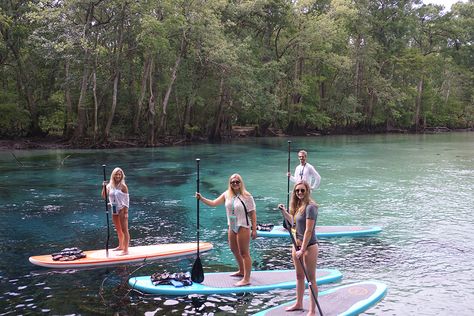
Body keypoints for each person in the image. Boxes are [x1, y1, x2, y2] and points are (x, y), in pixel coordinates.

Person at [196, 173, 257, 286]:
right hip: (232, 225)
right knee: (234, 249)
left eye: (237, 181)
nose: (235, 184)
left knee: (244, 253)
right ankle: (241, 270)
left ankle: (246, 279)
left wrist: (254, 229)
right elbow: (214, 203)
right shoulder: (227, 194)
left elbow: (252, 213)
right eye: (232, 182)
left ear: (241, 183)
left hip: (243, 226)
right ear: (230, 184)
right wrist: (201, 198)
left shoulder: (247, 196)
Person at [278, 181, 319, 316]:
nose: (300, 193)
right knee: (299, 276)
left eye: (302, 190)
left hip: (309, 247)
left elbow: (308, 230)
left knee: (311, 279)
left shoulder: (310, 207)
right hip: (296, 245)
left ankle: (312, 311)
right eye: (297, 191)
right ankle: (299, 303)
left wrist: (302, 249)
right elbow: (293, 223)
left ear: (307, 190)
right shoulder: (299, 206)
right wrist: (284, 212)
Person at [101, 167, 130, 256]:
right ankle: (121, 246)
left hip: (121, 209)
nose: (118, 176)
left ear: (122, 176)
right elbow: (104, 196)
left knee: (124, 230)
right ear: (113, 175)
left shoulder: (123, 186)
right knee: (118, 229)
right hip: (114, 209)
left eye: (119, 174)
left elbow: (127, 200)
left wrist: (126, 212)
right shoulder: (110, 185)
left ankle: (126, 250)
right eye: (116, 174)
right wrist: (104, 186)